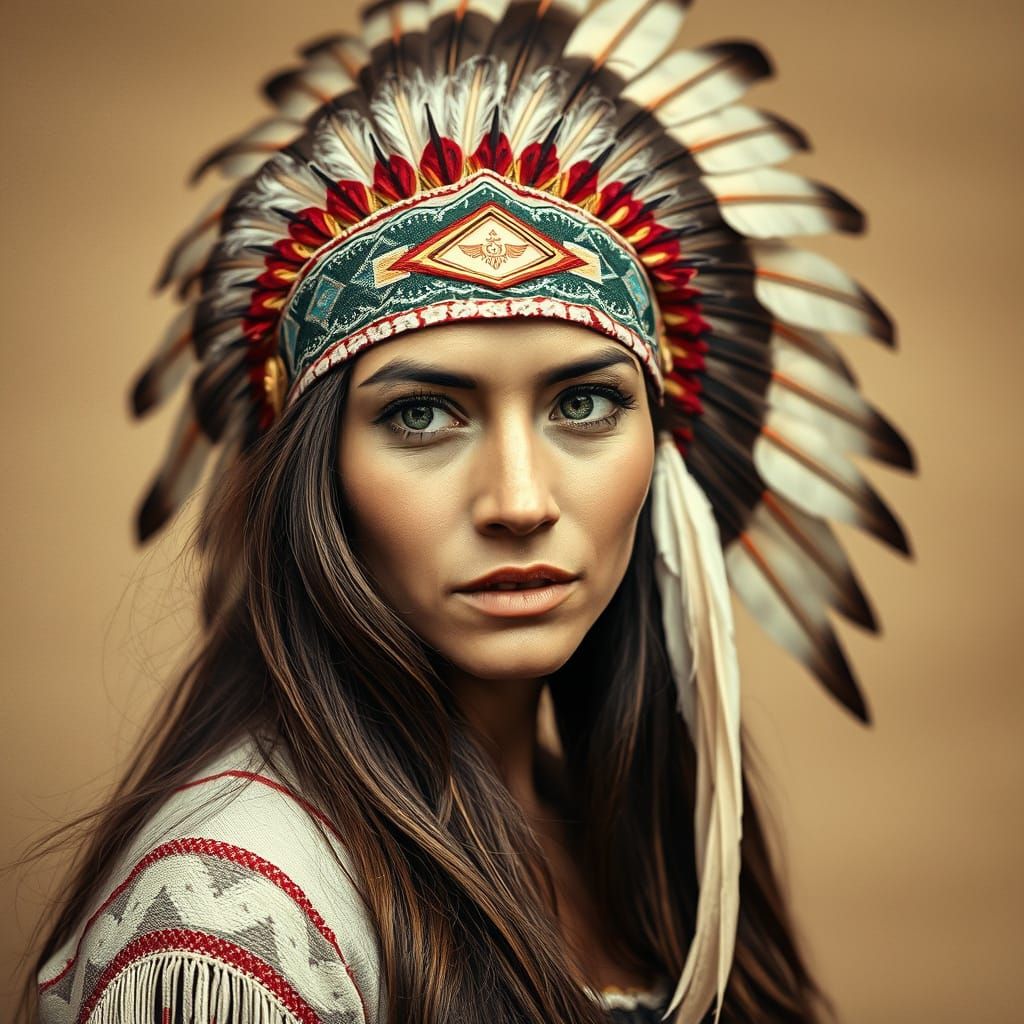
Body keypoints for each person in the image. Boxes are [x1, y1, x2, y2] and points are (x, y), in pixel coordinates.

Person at [22, 1, 914, 1021]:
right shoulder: (234, 922)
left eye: (584, 403)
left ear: (661, 449)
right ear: (317, 471)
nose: (520, 502)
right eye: (422, 414)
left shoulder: (626, 847)